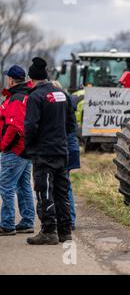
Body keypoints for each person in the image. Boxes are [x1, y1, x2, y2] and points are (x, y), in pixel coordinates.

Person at [25, 57, 76, 245]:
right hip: (61, 151)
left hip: (44, 153)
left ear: (32, 79)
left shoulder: (35, 96)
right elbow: (71, 123)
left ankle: (48, 230)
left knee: (44, 191)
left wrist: (30, 147)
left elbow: (30, 126)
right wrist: (61, 137)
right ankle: (65, 231)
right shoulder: (61, 93)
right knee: (62, 191)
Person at [0, 66, 35, 236]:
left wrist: (3, 146)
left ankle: (7, 224)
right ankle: (27, 221)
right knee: (23, 185)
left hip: (15, 150)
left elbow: (14, 126)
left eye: (8, 78)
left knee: (6, 186)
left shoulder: (16, 98)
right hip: (26, 149)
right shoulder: (27, 95)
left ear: (11, 80)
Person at [53, 81, 80, 230]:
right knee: (65, 185)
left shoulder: (60, 108)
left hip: (65, 148)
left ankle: (68, 219)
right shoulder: (70, 104)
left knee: (63, 186)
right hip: (72, 147)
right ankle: (68, 219)